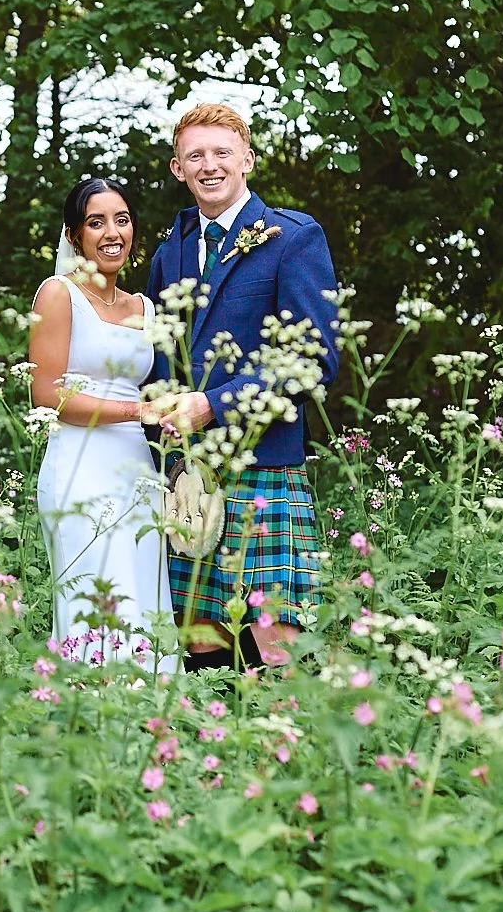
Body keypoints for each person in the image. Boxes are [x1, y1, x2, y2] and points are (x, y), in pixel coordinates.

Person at [144, 102, 339, 672]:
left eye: (221, 152)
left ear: (247, 160)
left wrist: (212, 404)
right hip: (191, 471)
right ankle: (211, 751)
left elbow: (311, 359)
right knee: (201, 635)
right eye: (195, 155)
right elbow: (164, 354)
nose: (210, 165)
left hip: (264, 462)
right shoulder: (170, 252)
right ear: (178, 168)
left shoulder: (292, 238)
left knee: (270, 633)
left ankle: (277, 754)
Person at [28, 175, 173, 670]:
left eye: (122, 220)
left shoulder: (145, 307)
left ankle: (153, 726)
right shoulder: (58, 294)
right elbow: (46, 394)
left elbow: (150, 391)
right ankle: (88, 723)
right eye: (96, 222)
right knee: (96, 599)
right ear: (73, 235)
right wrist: (138, 411)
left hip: (137, 471)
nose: (113, 232)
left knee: (142, 596)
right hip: (80, 469)